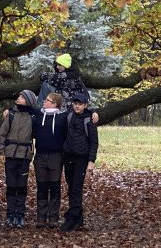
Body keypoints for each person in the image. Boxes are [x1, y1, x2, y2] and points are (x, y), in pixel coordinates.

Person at [0, 90, 36, 228]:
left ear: (28, 101)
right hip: (10, 155)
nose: (18, 98)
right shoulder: (11, 114)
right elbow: (1, 135)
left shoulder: (33, 116)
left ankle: (20, 213)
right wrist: (0, 152)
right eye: (19, 96)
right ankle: (10, 213)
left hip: (25, 156)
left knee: (22, 186)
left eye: (22, 97)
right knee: (11, 185)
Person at [60, 93, 98, 232]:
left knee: (76, 187)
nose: (77, 106)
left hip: (81, 159)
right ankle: (78, 216)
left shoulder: (89, 119)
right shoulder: (69, 116)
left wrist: (91, 161)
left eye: (80, 104)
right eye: (75, 103)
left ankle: (72, 218)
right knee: (71, 187)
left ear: (85, 105)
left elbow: (94, 142)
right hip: (68, 157)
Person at [33, 92, 66, 229]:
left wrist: (93, 113)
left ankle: (53, 217)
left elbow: (79, 111)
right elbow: (24, 108)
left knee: (54, 187)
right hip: (40, 155)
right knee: (41, 186)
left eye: (47, 100)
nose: (44, 101)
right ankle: (41, 217)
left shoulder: (63, 117)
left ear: (54, 104)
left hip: (56, 156)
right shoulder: (39, 114)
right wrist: (8, 110)